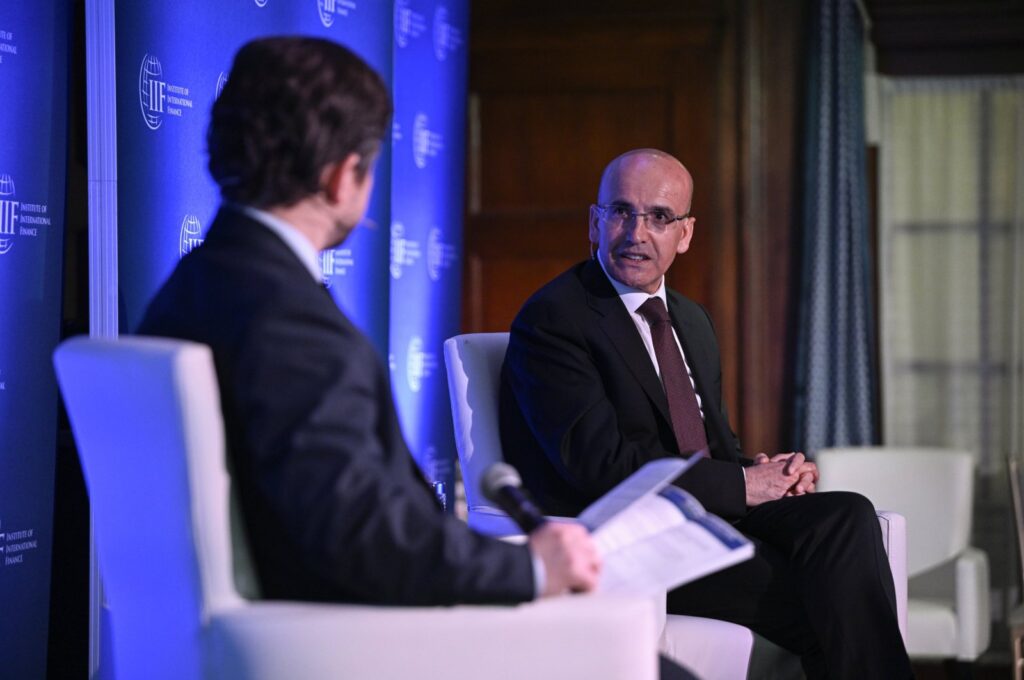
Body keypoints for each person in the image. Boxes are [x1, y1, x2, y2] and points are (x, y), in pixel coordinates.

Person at [138, 36, 600, 606]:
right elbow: (359, 535)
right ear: (341, 177)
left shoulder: (199, 282)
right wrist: (529, 570)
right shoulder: (286, 320)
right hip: (346, 639)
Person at [500, 148, 913, 678]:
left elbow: (716, 447)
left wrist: (765, 474)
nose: (636, 232)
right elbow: (599, 468)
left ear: (685, 233)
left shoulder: (690, 320)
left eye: (659, 217)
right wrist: (743, 486)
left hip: (705, 511)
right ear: (594, 221)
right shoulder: (555, 319)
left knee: (845, 515)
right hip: (631, 534)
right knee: (828, 596)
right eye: (621, 211)